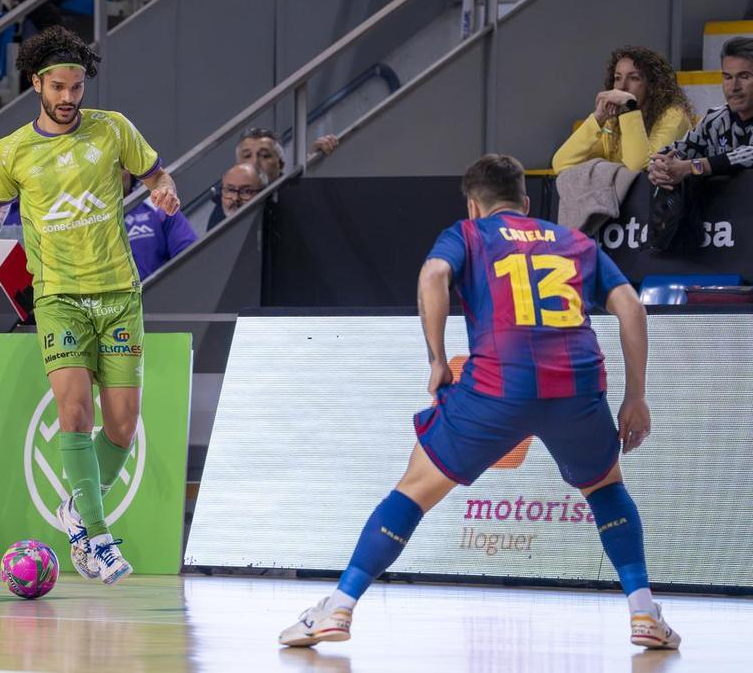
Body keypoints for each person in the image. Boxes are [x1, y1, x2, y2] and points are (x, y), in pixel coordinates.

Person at [277, 154, 680, 651]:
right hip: (575, 385)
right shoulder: (575, 241)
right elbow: (631, 307)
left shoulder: (468, 235)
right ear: (527, 203)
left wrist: (437, 359)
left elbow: (431, 277)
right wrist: (635, 396)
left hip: (497, 386)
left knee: (413, 490)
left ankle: (339, 606)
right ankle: (643, 614)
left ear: (473, 205)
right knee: (605, 489)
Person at [0, 26, 180, 586]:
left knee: (122, 426)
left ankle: (77, 507)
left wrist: (164, 187)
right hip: (58, 297)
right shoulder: (12, 151)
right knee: (76, 413)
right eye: (59, 87)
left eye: (77, 87)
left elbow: (156, 173)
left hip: (119, 295)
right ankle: (96, 538)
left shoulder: (114, 129)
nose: (69, 98)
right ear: (36, 84)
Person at [552, 46, 693, 174]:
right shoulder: (613, 122)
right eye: (618, 78)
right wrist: (598, 118)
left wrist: (630, 107)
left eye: (634, 78)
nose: (622, 87)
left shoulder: (674, 115)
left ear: (653, 85)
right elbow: (562, 164)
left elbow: (639, 169)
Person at [648, 36, 753, 188]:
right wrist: (658, 166)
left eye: (744, 77)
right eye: (728, 77)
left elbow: (746, 155)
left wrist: (691, 167)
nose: (734, 86)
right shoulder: (714, 120)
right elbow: (676, 150)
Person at [122, 171, 197, 279]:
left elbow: (190, 257)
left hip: (162, 291)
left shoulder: (156, 204)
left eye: (119, 166)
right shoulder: (90, 220)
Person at [207, 161, 267, 230]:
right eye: (230, 190)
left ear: (263, 192)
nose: (235, 198)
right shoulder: (217, 220)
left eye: (246, 191)